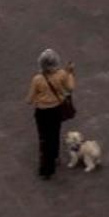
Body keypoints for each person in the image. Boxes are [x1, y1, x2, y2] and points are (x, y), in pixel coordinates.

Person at [27, 49, 77, 179]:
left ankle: (46, 169)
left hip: (42, 112)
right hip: (56, 110)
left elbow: (29, 100)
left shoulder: (37, 79)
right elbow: (70, 88)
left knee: (44, 138)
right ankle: (55, 156)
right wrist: (70, 73)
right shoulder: (62, 74)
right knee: (55, 134)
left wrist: (40, 96)